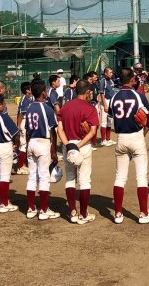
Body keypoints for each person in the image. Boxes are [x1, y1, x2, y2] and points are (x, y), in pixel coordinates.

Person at [110, 67, 149, 224]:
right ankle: (143, 214)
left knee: (120, 178)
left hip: (121, 138)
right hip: (136, 137)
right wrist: (143, 133)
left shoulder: (114, 97)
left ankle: (118, 214)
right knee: (141, 177)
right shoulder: (139, 96)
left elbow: (111, 118)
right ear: (132, 79)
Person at [57, 79, 99, 224]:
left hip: (68, 145)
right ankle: (83, 214)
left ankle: (72, 212)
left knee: (70, 178)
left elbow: (60, 129)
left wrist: (68, 145)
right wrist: (78, 145)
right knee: (84, 180)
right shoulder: (90, 108)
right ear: (87, 92)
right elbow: (92, 132)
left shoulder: (65, 107)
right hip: (83, 145)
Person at [24, 79, 60, 220]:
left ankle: (31, 208)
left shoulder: (29, 108)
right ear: (44, 92)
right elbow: (53, 131)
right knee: (44, 176)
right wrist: (54, 150)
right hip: (43, 143)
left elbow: (27, 131)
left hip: (31, 142)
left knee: (32, 176)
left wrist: (27, 147)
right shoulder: (47, 108)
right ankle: (44, 210)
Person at [14, 81, 33, 175]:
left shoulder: (26, 98)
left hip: (25, 122)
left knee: (25, 144)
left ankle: (21, 163)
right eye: (30, 88)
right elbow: (21, 114)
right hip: (24, 122)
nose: (31, 90)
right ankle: (20, 167)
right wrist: (18, 126)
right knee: (24, 145)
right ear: (27, 90)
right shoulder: (25, 99)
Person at [98, 67, 117, 146]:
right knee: (104, 121)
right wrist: (105, 104)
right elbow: (102, 93)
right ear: (105, 73)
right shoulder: (103, 81)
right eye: (110, 72)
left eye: (112, 72)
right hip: (105, 101)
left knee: (110, 121)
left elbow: (113, 91)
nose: (111, 74)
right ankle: (103, 140)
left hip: (111, 102)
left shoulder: (111, 81)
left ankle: (108, 139)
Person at [85, 71, 100, 147]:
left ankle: (93, 142)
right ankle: (90, 142)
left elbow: (97, 95)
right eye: (94, 77)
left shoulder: (95, 85)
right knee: (89, 124)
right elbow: (88, 98)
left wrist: (99, 106)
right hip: (90, 105)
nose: (96, 78)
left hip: (95, 105)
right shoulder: (87, 87)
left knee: (96, 124)